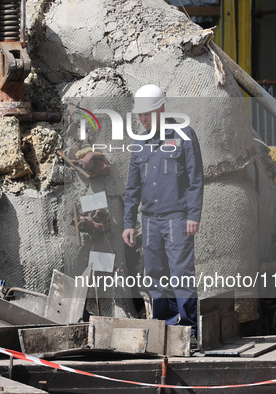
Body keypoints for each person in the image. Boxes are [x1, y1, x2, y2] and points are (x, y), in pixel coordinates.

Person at [122, 84, 204, 341]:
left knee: (181, 275)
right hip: (150, 221)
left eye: (146, 114)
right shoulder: (140, 143)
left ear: (161, 110)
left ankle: (188, 331)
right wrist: (128, 222)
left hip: (177, 219)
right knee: (155, 276)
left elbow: (195, 180)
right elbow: (133, 186)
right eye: (140, 116)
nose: (143, 120)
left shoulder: (184, 135)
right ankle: (166, 331)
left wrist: (193, 215)